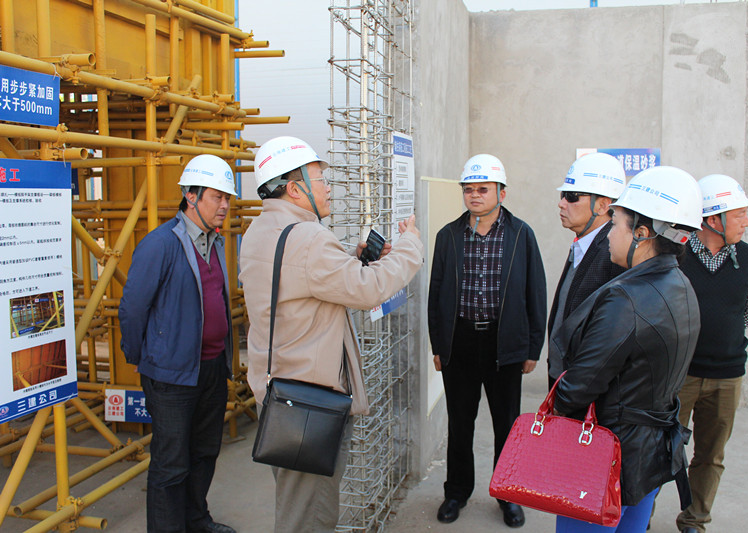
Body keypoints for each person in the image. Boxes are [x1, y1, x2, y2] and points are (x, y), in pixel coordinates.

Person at [239, 136, 424, 533]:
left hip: (280, 393)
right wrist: (410, 247)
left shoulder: (260, 230)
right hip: (311, 403)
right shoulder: (309, 237)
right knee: (310, 516)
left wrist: (352, 260)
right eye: (321, 179)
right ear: (295, 189)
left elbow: (300, 281)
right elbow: (368, 290)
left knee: (296, 503)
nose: (328, 188)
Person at [551, 166, 703, 533]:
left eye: (616, 223)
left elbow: (579, 387)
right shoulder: (681, 285)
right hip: (649, 456)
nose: (608, 234)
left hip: (605, 459)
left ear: (642, 234)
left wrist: (557, 406)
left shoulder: (626, 298)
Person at [119, 154, 238, 533]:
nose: (224, 206)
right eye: (217, 197)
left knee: (204, 452)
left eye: (227, 198)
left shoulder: (215, 243)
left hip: (212, 367)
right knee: (171, 463)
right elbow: (132, 308)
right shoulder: (159, 245)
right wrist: (140, 356)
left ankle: (195, 520)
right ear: (191, 196)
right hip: (171, 376)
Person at [428, 154, 547, 528]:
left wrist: (532, 347)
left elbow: (535, 292)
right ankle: (456, 492)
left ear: (501, 193)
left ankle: (508, 496)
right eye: (469, 189)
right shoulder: (448, 236)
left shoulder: (521, 235)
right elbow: (436, 295)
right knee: (460, 424)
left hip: (504, 344)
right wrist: (438, 346)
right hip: (460, 342)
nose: (475, 195)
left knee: (507, 426)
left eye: (483, 189)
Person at [675, 174, 748, 533]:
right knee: (659, 448)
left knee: (710, 455)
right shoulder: (678, 254)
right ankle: (641, 515)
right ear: (713, 219)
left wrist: (722, 331)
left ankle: (694, 519)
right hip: (679, 374)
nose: (746, 222)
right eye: (739, 214)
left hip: (727, 376)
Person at [548, 152, 627, 388]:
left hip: (582, 388)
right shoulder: (583, 244)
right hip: (564, 378)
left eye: (572, 197)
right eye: (563, 195)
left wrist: (576, 390)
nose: (562, 203)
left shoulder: (613, 255)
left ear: (603, 205)